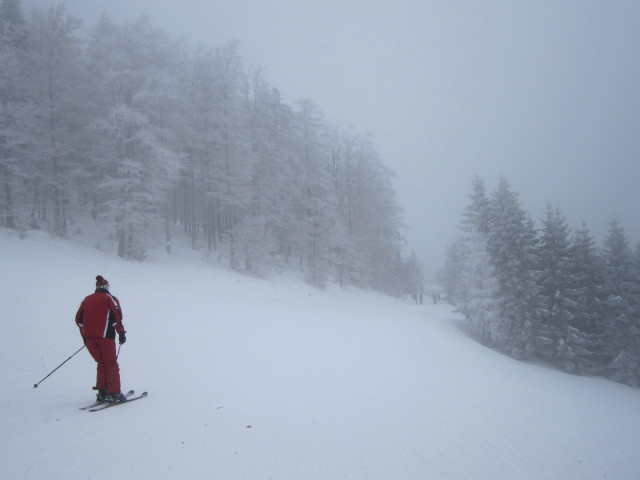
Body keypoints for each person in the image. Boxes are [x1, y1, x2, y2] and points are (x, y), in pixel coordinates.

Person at [75, 275, 127, 403]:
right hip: (106, 337)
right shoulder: (109, 298)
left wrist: (85, 335)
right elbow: (117, 317)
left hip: (89, 338)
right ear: (106, 287)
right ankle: (114, 393)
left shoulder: (86, 299)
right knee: (111, 363)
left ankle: (102, 392)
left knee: (101, 362)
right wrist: (121, 333)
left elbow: (78, 319)